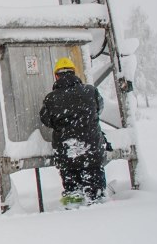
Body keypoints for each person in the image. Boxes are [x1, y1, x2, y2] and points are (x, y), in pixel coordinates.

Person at [39, 58, 107, 207]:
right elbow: (99, 109)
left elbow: (46, 120)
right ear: (74, 73)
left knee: (72, 190)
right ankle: (98, 206)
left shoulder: (51, 99)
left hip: (67, 151)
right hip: (92, 148)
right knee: (95, 192)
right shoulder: (90, 91)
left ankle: (73, 208)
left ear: (57, 76)